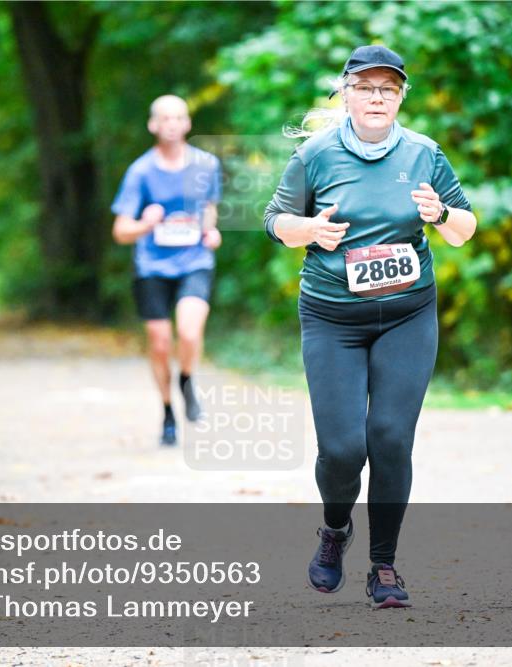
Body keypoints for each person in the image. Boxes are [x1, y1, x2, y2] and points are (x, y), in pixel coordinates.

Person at [263, 45, 477, 608]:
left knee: (389, 438)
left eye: (388, 88)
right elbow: (275, 222)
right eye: (365, 87)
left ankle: (384, 567)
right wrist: (309, 229)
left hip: (407, 313)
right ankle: (335, 530)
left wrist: (442, 215)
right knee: (341, 449)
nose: (377, 97)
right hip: (333, 316)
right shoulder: (316, 155)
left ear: (401, 96)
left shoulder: (425, 153)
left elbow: (465, 227)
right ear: (346, 94)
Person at [111, 95, 223, 446]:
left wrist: (211, 230)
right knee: (160, 343)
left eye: (179, 117)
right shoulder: (141, 172)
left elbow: (209, 209)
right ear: (153, 125)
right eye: (165, 118)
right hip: (152, 266)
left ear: (188, 123)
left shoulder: (206, 164)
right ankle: (168, 413)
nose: (172, 124)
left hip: (194, 261)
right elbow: (120, 230)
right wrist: (145, 224)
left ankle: (187, 380)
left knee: (189, 333)